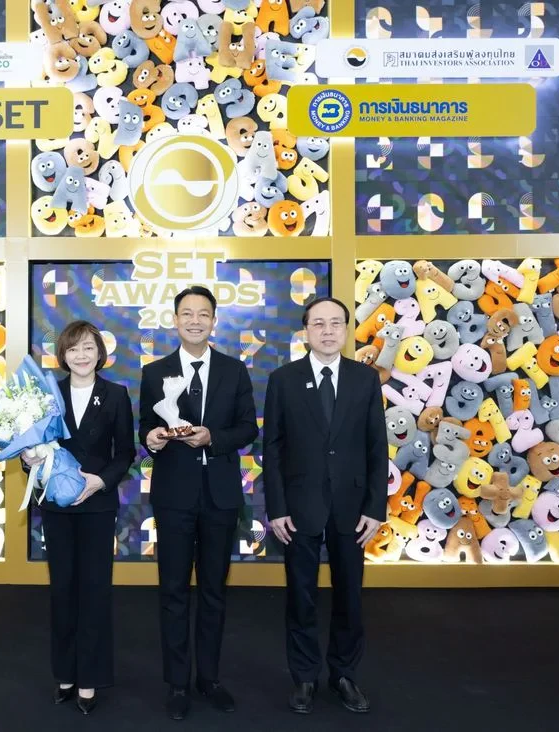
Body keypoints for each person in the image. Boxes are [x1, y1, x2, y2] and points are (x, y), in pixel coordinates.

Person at [262, 296, 389, 715]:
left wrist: (375, 507)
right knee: (300, 595)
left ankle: (344, 674)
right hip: (298, 507)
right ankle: (304, 676)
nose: (328, 330)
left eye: (336, 323)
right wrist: (277, 507)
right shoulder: (283, 380)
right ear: (306, 331)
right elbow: (273, 449)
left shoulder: (364, 379)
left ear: (347, 330)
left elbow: (377, 447)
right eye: (319, 323)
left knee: (350, 594)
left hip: (353, 507)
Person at [139, 285, 258, 720]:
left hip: (220, 497)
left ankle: (209, 678)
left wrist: (212, 437)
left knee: (213, 591)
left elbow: (248, 428)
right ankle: (177, 682)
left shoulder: (234, 370)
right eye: (186, 314)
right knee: (173, 590)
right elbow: (145, 428)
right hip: (173, 496)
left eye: (203, 314)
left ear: (213, 321)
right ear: (174, 320)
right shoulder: (155, 372)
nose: (195, 321)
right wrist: (152, 439)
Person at [29, 320, 135, 716]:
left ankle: (89, 677)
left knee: (94, 590)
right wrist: (29, 459)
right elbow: (32, 445)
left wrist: (101, 481)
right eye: (73, 349)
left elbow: (125, 452)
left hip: (97, 506)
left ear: (100, 352)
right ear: (63, 355)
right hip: (57, 507)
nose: (81, 355)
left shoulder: (116, 395)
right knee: (62, 590)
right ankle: (65, 674)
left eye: (88, 347)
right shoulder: (46, 393)